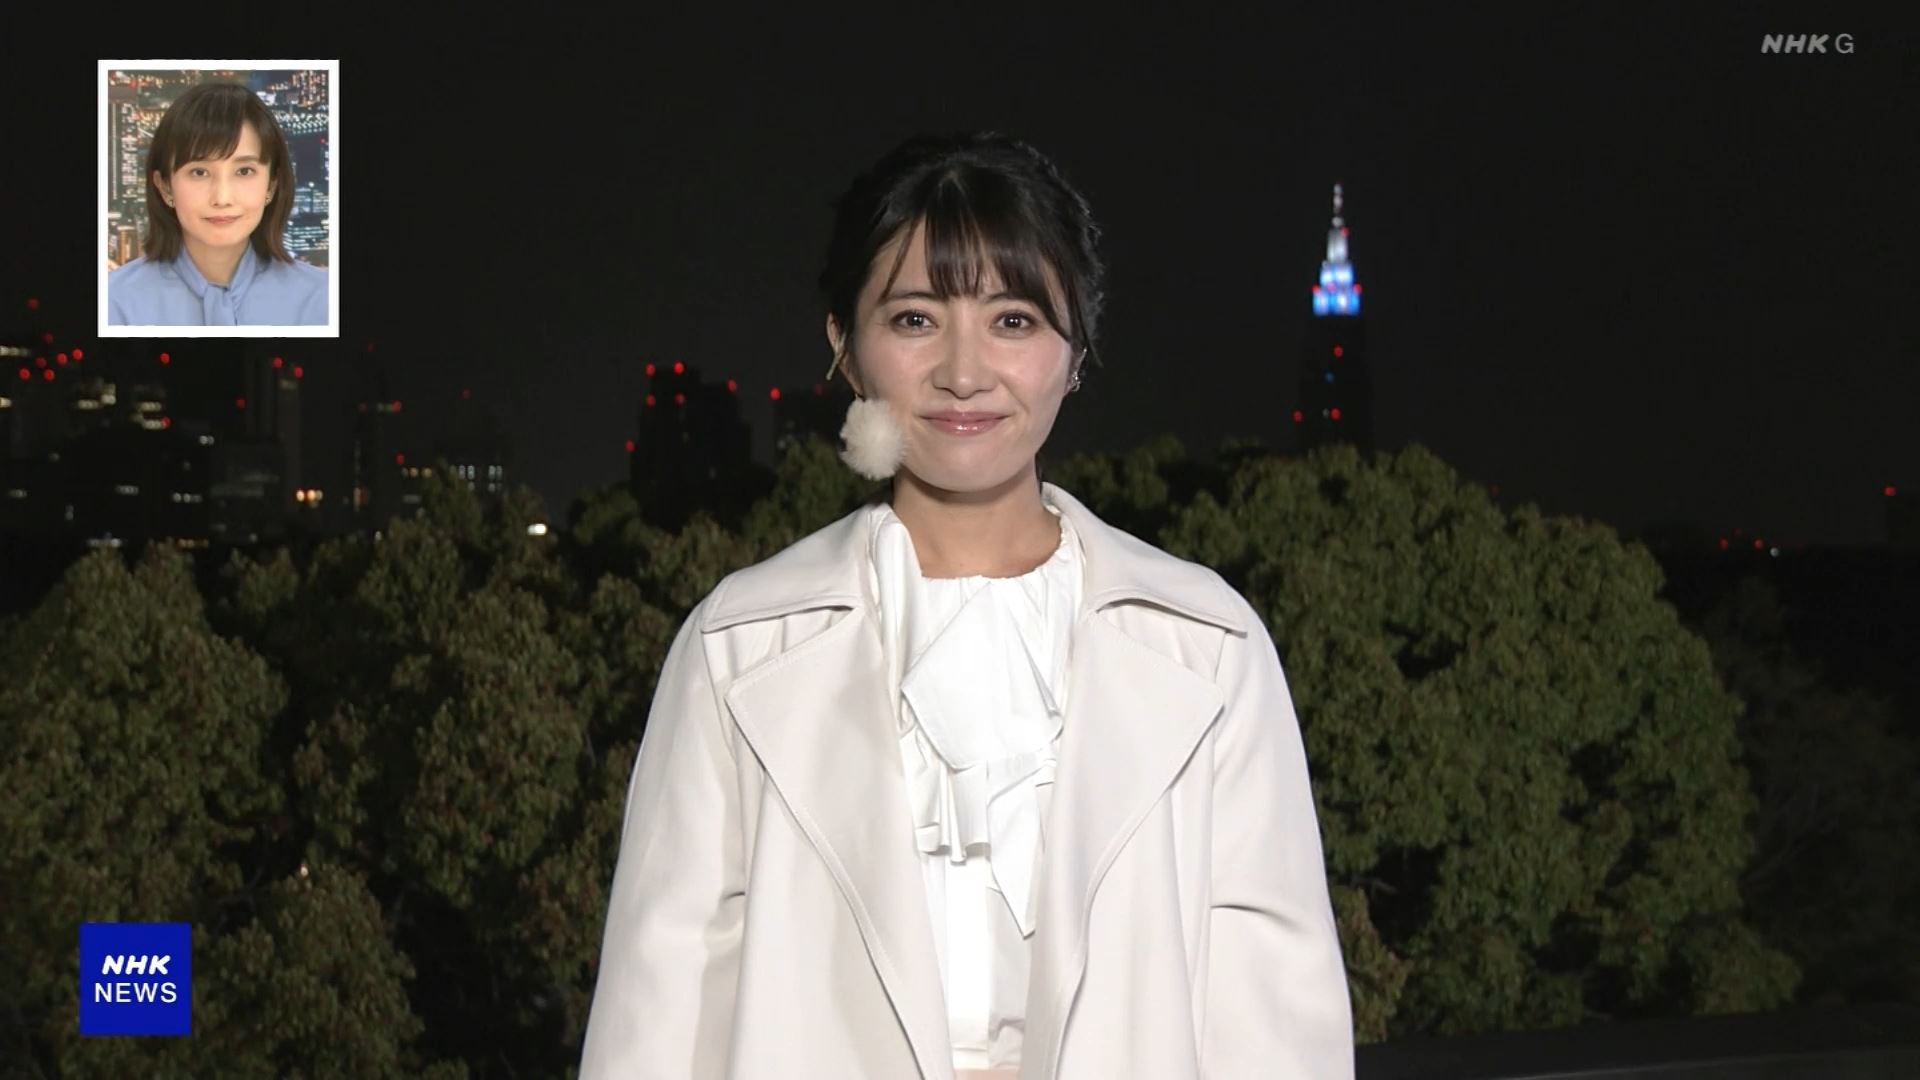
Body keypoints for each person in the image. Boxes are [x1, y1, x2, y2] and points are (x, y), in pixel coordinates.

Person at [578, 132, 1354, 1079]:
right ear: (845, 347)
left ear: (1077, 349)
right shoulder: (737, 648)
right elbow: (656, 1023)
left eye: (1013, 320)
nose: (964, 370)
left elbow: (1278, 1033)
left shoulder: (1210, 647)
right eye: (915, 319)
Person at [107, 81, 327, 327]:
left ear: (271, 185)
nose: (222, 198)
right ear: (165, 186)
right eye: (199, 172)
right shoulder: (113, 303)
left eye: (244, 171)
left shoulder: (322, 301)